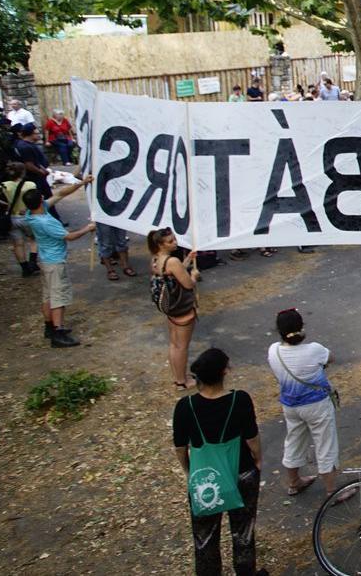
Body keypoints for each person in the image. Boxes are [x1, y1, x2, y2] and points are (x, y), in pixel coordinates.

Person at [173, 348, 266, 576]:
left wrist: (189, 471)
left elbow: (180, 447)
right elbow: (251, 438)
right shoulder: (240, 399)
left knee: (204, 538)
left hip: (204, 478)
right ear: (225, 371)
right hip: (241, 473)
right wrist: (258, 460)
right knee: (243, 532)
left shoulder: (186, 407)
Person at [266, 309, 343, 498]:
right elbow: (331, 358)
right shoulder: (314, 349)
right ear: (301, 328)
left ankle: (294, 482)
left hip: (290, 405)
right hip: (317, 405)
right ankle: (331, 491)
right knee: (325, 445)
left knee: (294, 440)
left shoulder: (274, 350)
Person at [14, 180, 95, 348]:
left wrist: (82, 183)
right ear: (41, 199)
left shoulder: (32, 213)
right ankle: (57, 333)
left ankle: (49, 327)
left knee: (48, 296)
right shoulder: (46, 222)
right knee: (58, 297)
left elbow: (61, 193)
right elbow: (69, 236)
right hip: (54, 261)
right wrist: (88, 228)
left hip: (45, 259)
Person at [147, 228, 200, 388]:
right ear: (160, 244)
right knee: (182, 346)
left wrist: (188, 260)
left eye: (174, 239)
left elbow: (173, 274)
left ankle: (178, 377)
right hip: (182, 308)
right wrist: (194, 276)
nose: (175, 243)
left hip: (170, 308)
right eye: (170, 241)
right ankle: (183, 381)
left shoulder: (156, 260)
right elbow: (188, 284)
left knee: (174, 344)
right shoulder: (172, 261)